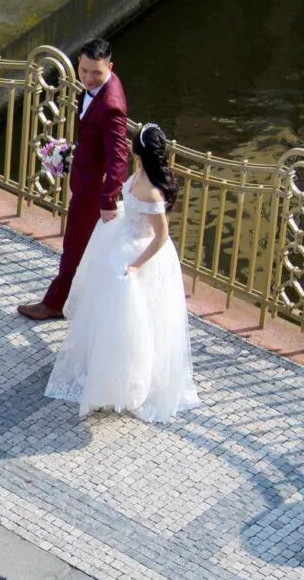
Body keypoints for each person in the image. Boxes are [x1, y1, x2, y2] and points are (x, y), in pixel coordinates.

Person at [43, 124, 199, 422]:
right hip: (122, 237)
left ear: (139, 154)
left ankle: (129, 381)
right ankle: (102, 364)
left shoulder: (153, 193)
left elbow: (160, 237)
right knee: (108, 310)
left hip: (141, 252)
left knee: (138, 319)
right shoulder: (140, 175)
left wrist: (136, 265)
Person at [20, 38, 130, 320]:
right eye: (83, 71)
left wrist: (108, 199)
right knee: (84, 247)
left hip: (93, 191)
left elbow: (119, 157)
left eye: (96, 73)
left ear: (110, 67)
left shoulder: (111, 106)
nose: (88, 78)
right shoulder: (97, 89)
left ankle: (55, 303)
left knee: (74, 247)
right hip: (85, 178)